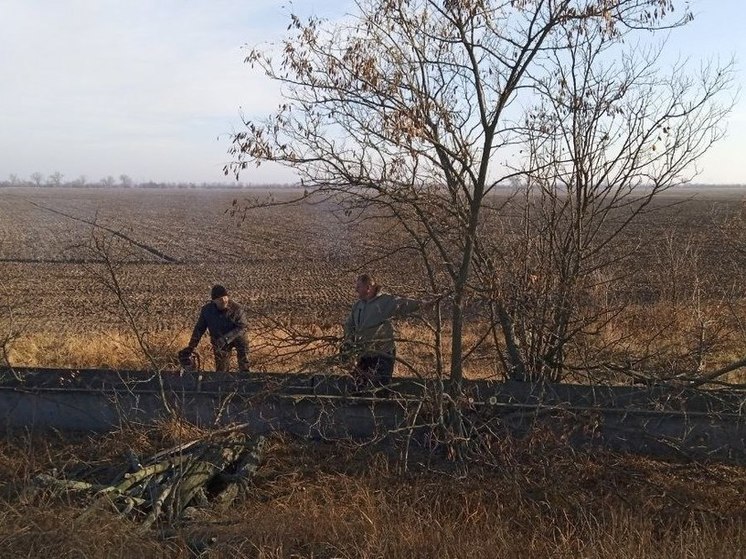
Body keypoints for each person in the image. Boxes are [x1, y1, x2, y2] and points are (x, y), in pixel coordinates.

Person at [342, 273, 430, 387]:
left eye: (359, 286)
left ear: (368, 288)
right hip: (364, 354)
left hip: (382, 354)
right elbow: (349, 325)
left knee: (380, 387)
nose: (356, 289)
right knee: (359, 385)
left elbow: (404, 304)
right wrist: (348, 342)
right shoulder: (357, 306)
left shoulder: (385, 302)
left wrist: (423, 304)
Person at [181, 284, 250, 373]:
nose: (224, 301)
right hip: (219, 340)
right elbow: (199, 328)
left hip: (238, 337)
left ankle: (245, 382)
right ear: (214, 301)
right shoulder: (207, 311)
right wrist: (192, 346)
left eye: (225, 297)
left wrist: (225, 339)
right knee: (221, 370)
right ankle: (223, 385)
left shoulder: (237, 308)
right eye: (220, 299)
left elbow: (242, 327)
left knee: (244, 364)